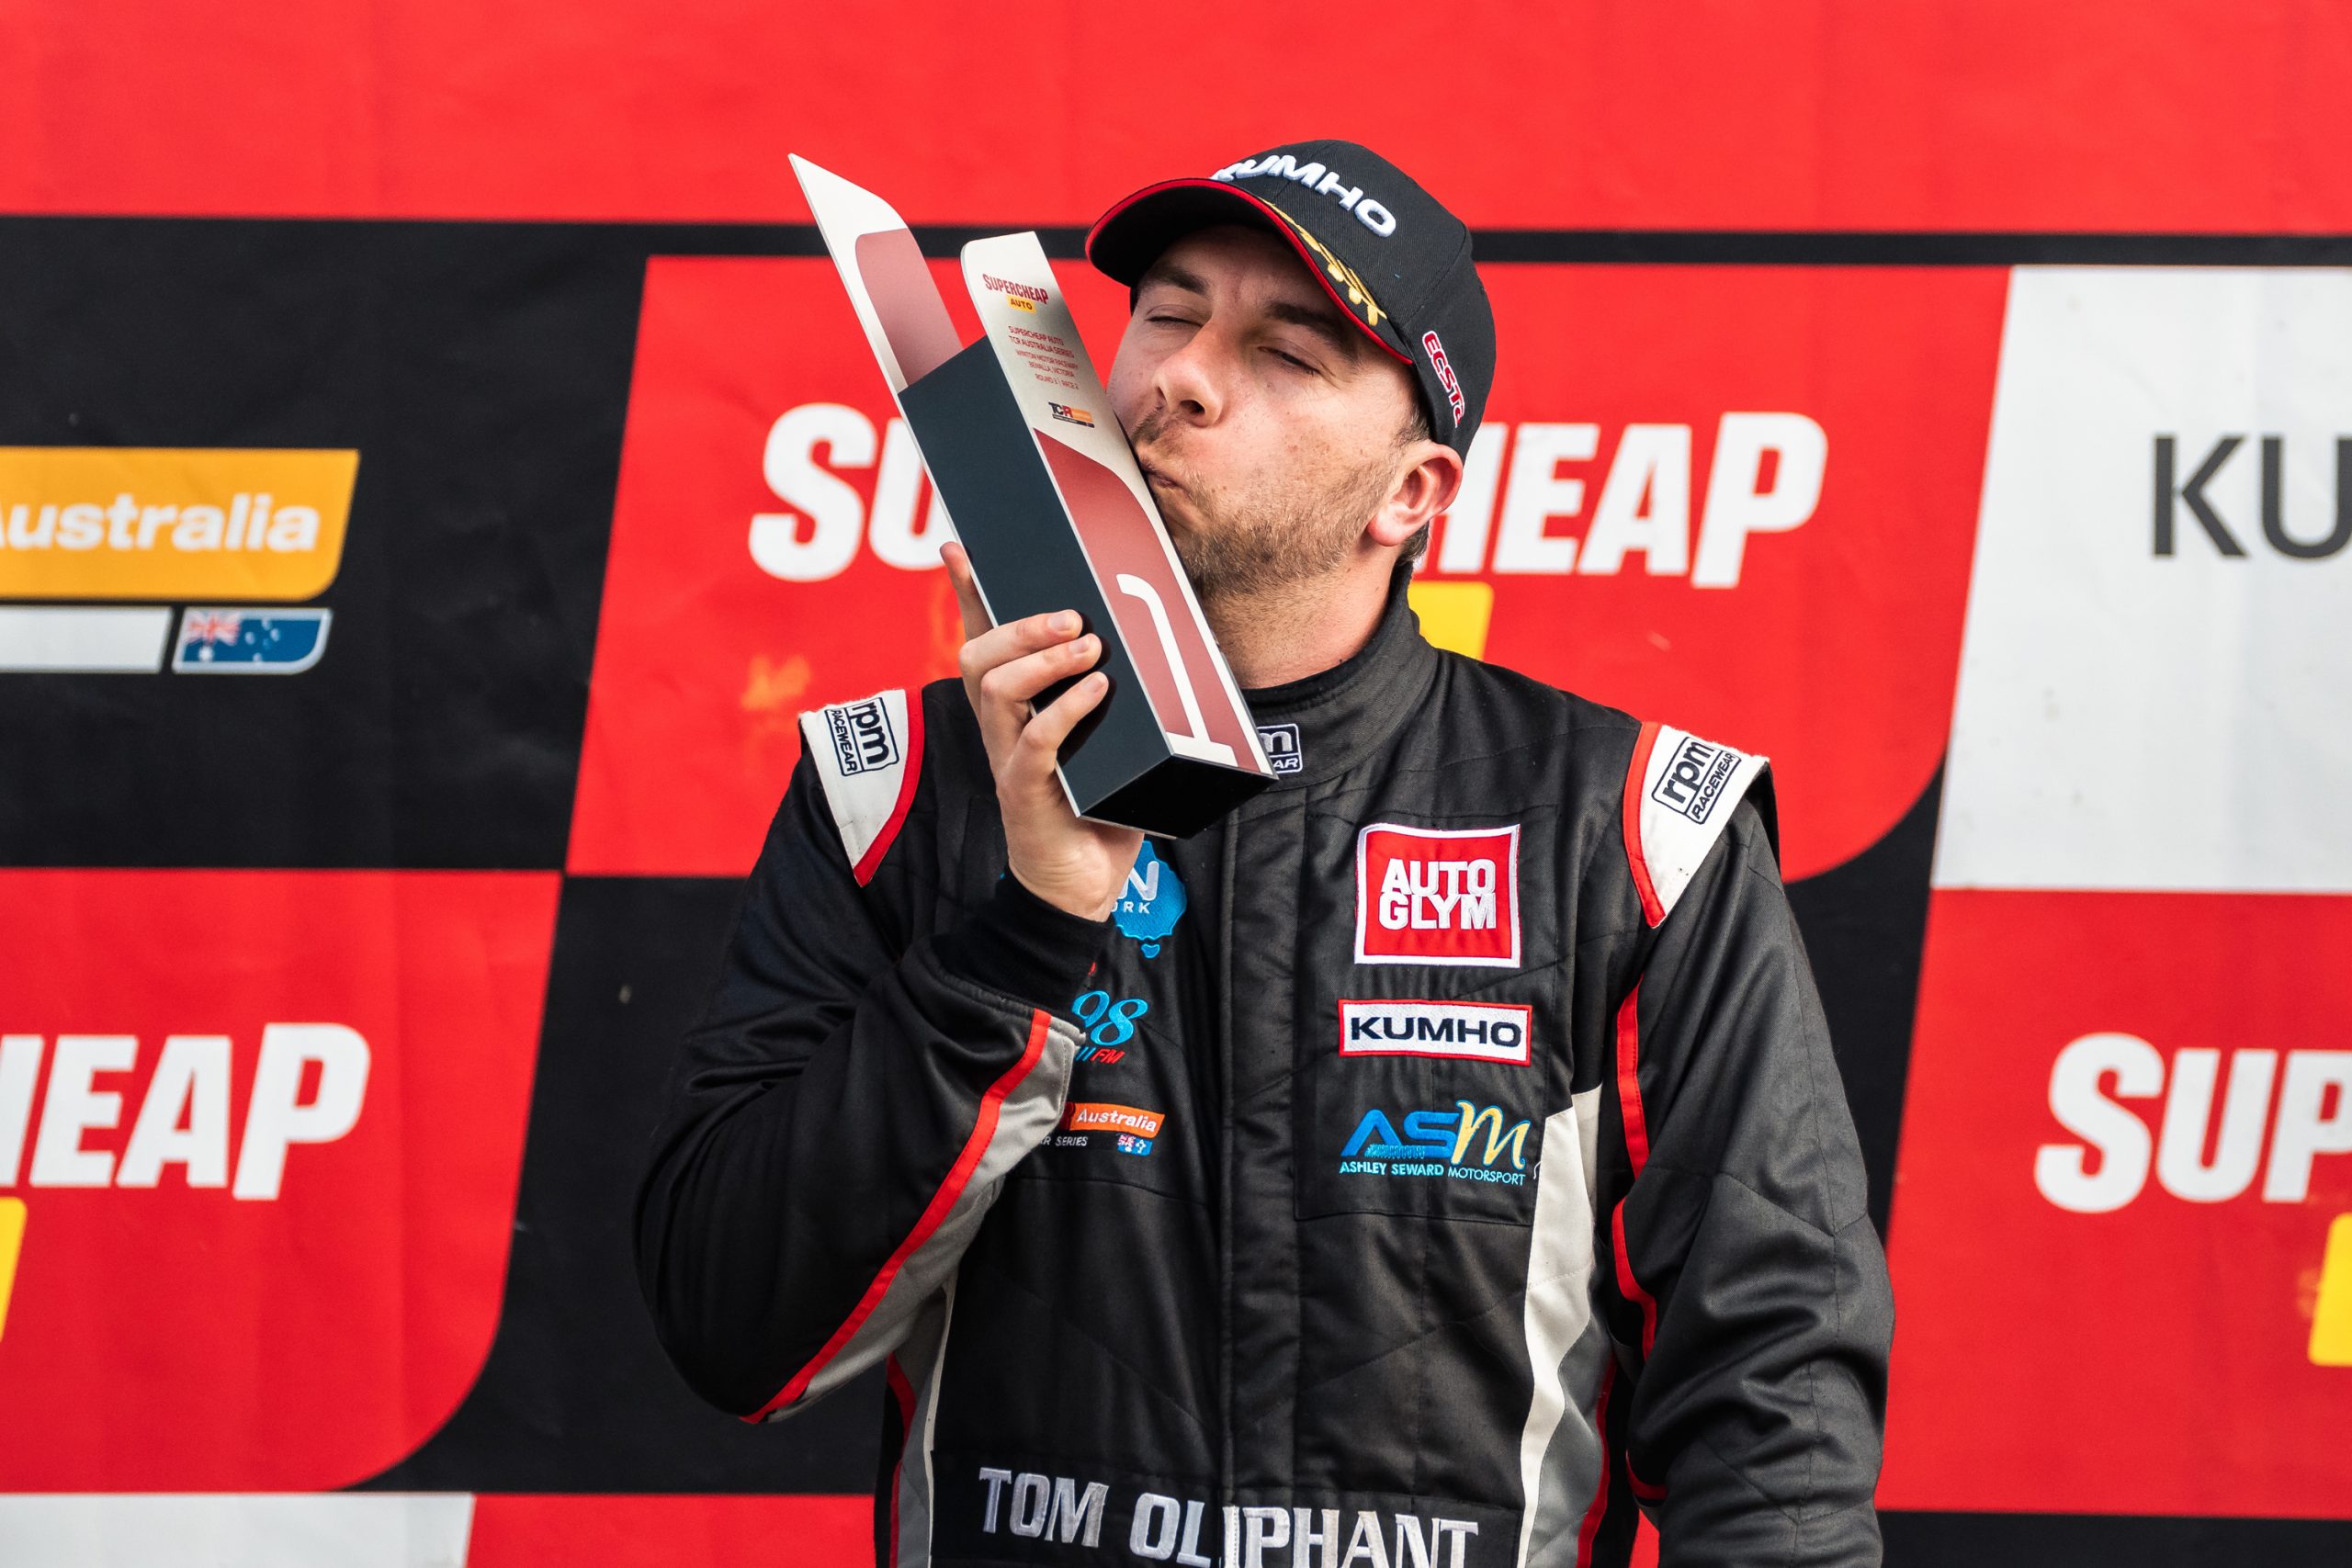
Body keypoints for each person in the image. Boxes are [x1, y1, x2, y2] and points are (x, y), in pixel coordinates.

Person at [635, 140, 1893, 1568]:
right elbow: (728, 1334)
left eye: (1284, 352)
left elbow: (1772, 1410)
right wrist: (1025, 935)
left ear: (1410, 494)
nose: (1180, 377)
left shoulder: (1637, 832)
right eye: (1166, 315)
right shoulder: (902, 787)